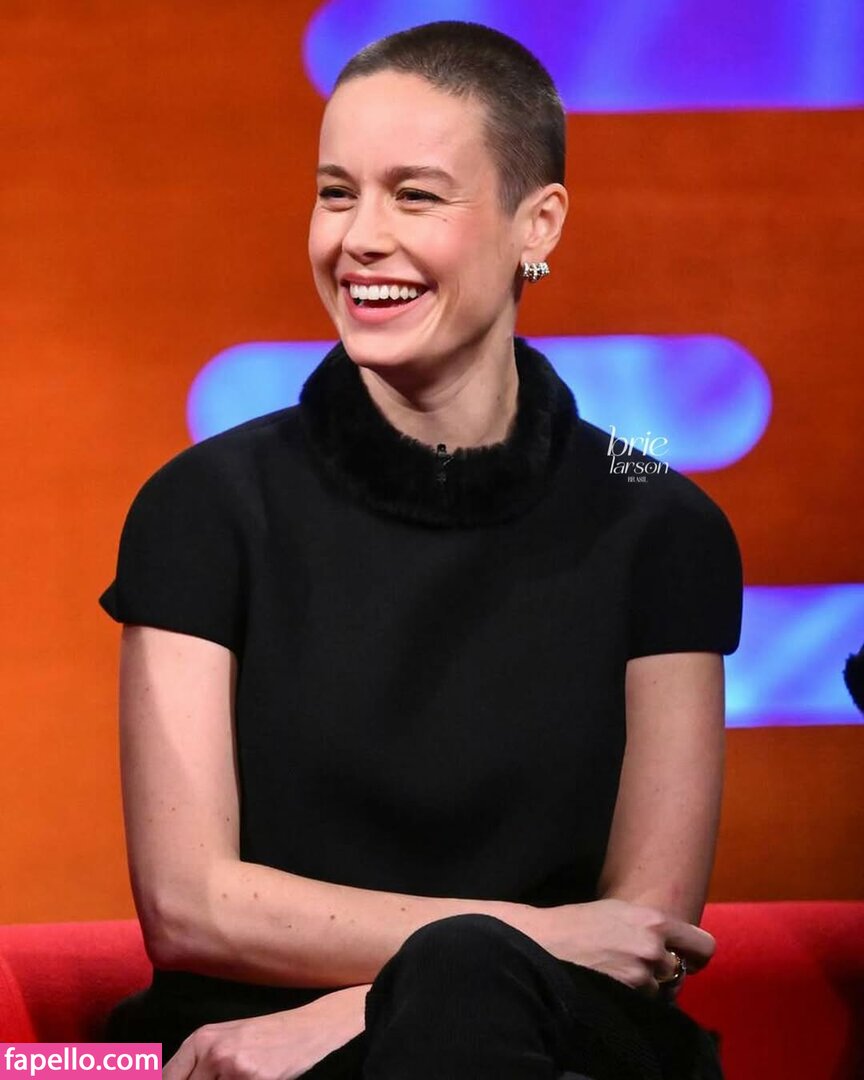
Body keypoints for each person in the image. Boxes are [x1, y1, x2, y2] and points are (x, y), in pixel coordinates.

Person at [99, 20, 742, 1080]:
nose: (359, 238)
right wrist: (481, 960)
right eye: (336, 192)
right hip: (251, 1052)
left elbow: (641, 936)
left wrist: (369, 1006)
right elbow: (190, 906)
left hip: (562, 1042)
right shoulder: (205, 507)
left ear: (538, 223)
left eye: (415, 196)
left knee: (468, 1002)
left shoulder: (661, 525)